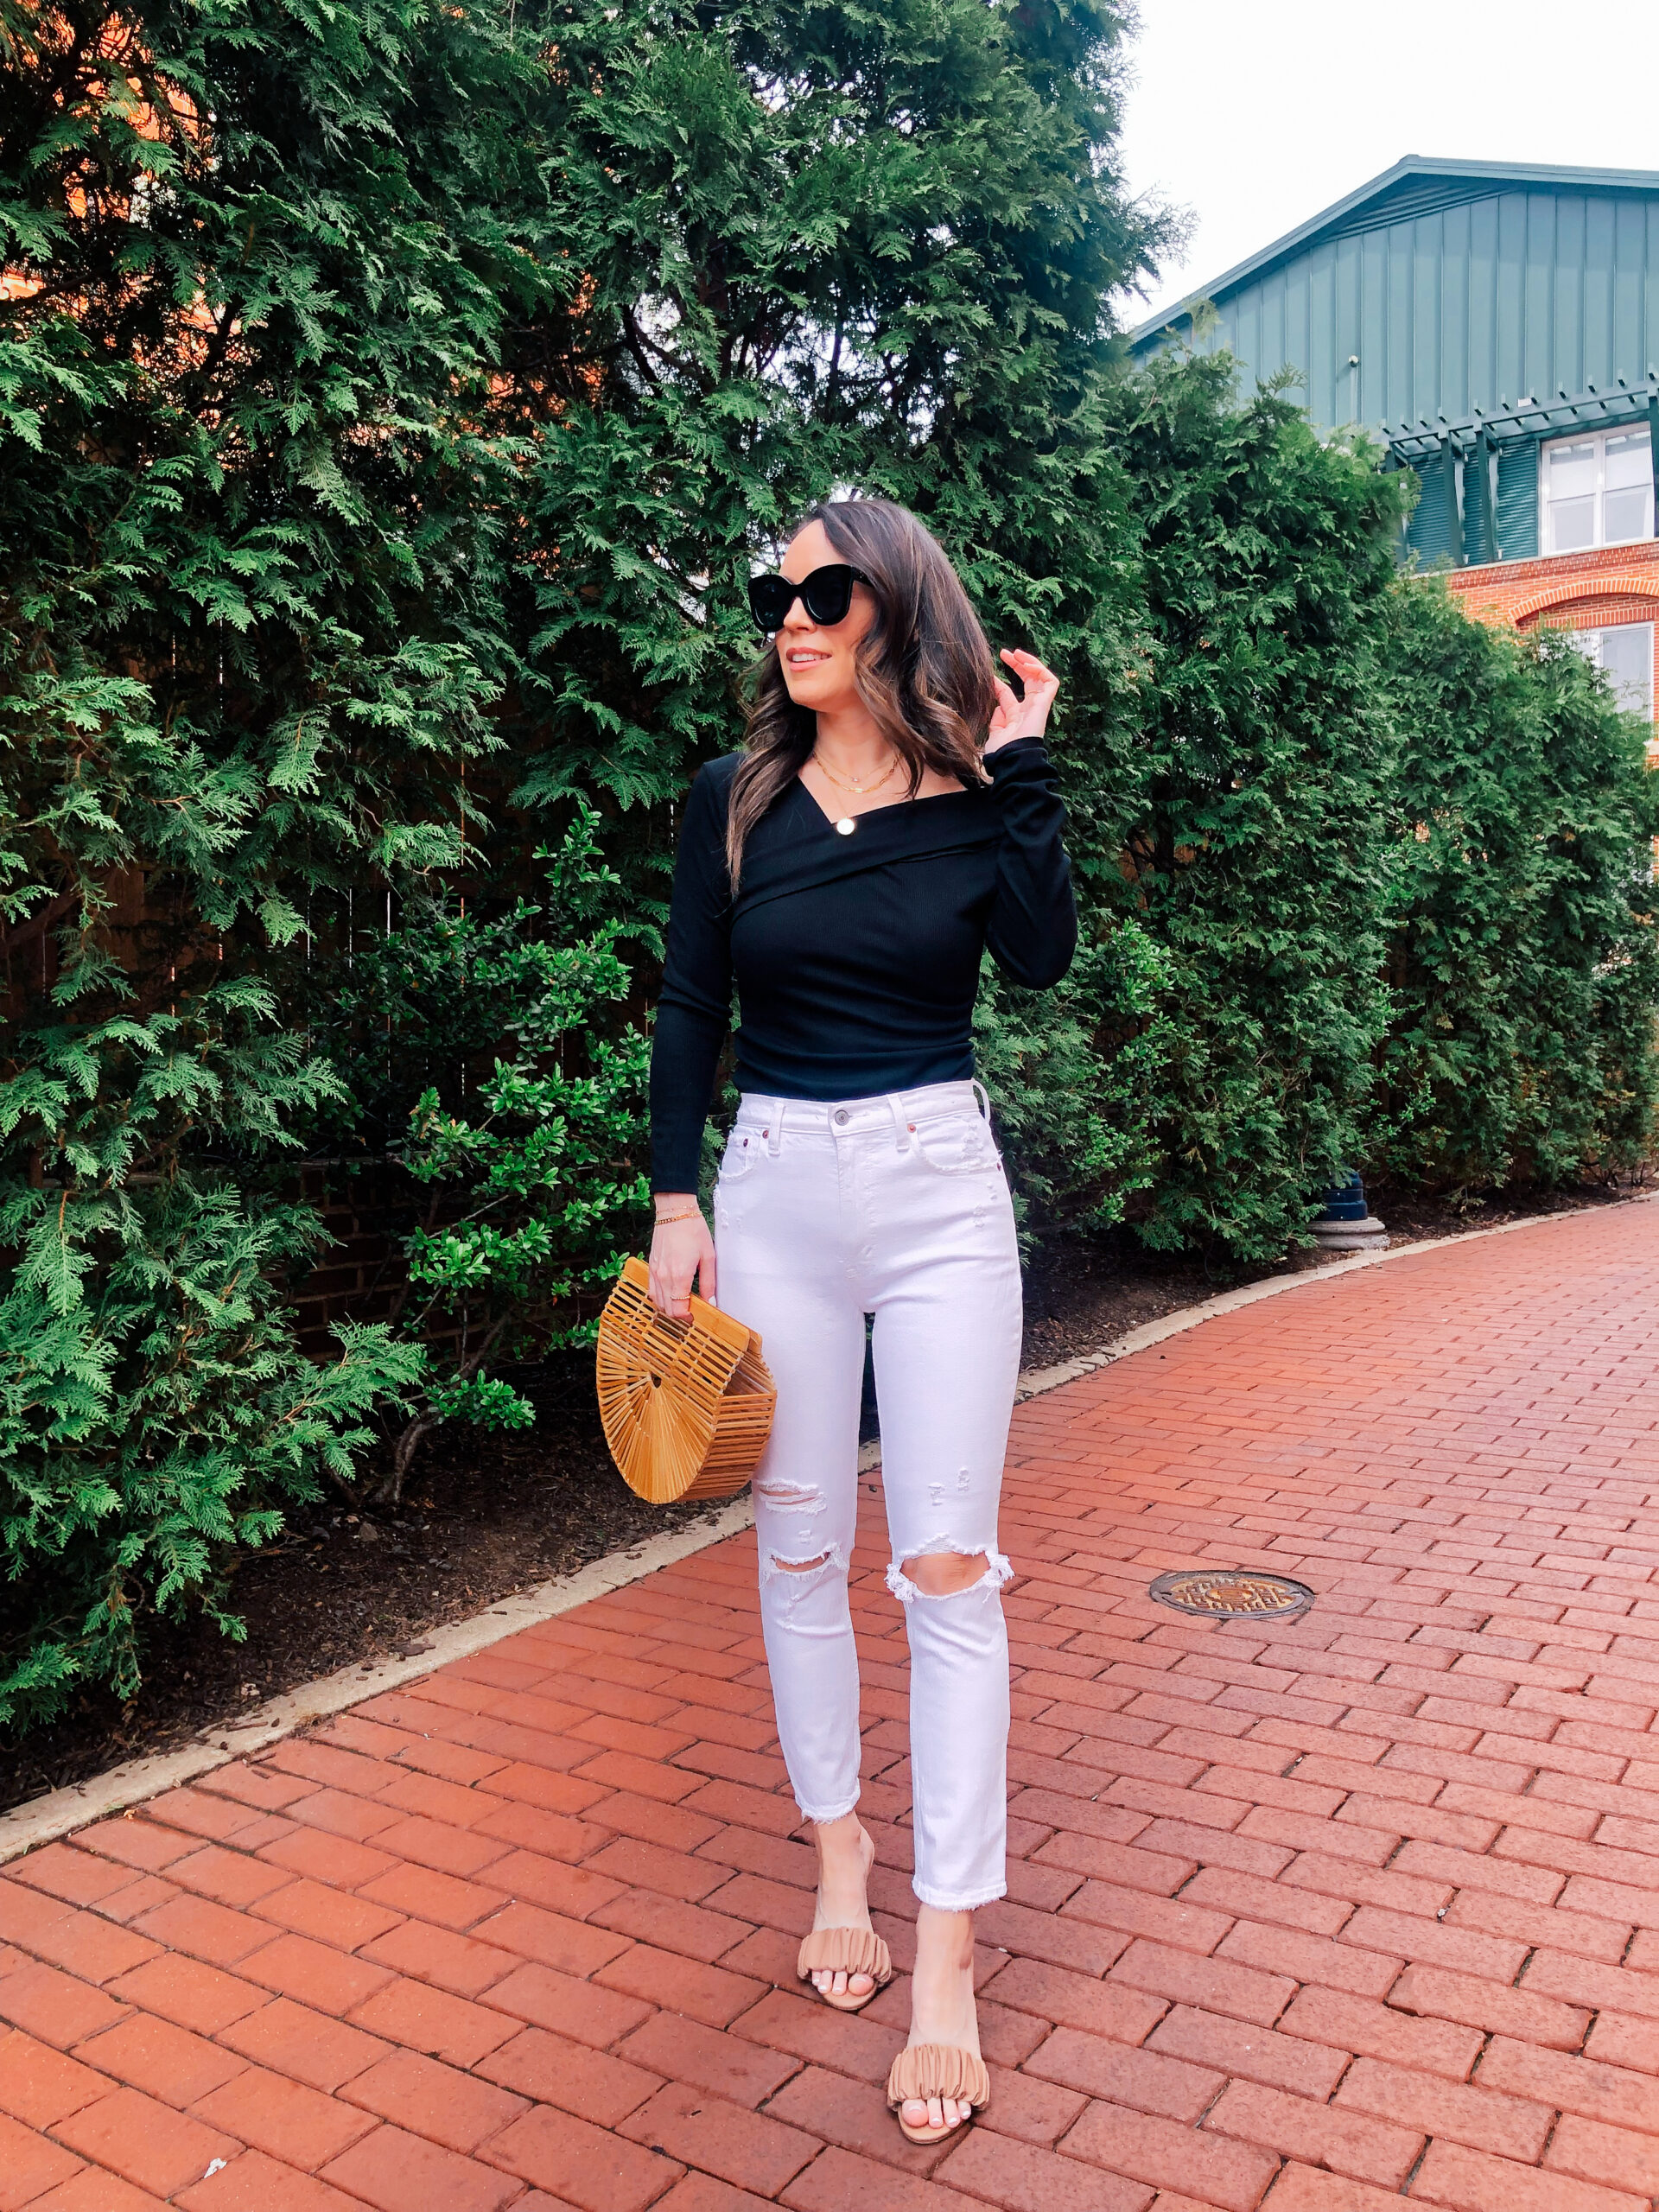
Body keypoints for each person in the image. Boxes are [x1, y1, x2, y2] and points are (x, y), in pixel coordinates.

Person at [645, 495, 1076, 2146]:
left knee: (950, 1568)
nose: (793, 614)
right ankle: (843, 1859)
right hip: (770, 1192)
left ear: (896, 610)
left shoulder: (977, 801)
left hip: (937, 1189)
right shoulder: (735, 799)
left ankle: (950, 1952)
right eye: (777, 591)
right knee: (798, 1546)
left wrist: (1023, 760)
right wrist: (675, 1205)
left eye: (827, 590)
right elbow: (694, 999)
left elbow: (1036, 959)